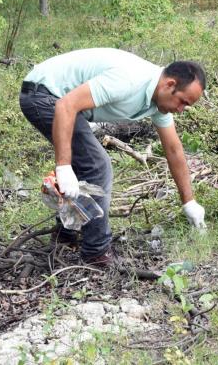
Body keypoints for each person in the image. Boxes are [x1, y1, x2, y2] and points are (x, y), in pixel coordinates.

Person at [19, 48, 207, 267]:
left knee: (86, 165)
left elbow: (174, 150)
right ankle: (96, 253)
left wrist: (189, 202)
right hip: (45, 95)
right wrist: (63, 166)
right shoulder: (129, 79)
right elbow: (66, 105)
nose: (182, 109)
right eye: (183, 102)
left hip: (63, 100)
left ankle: (65, 236)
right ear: (170, 85)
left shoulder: (159, 101)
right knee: (97, 166)